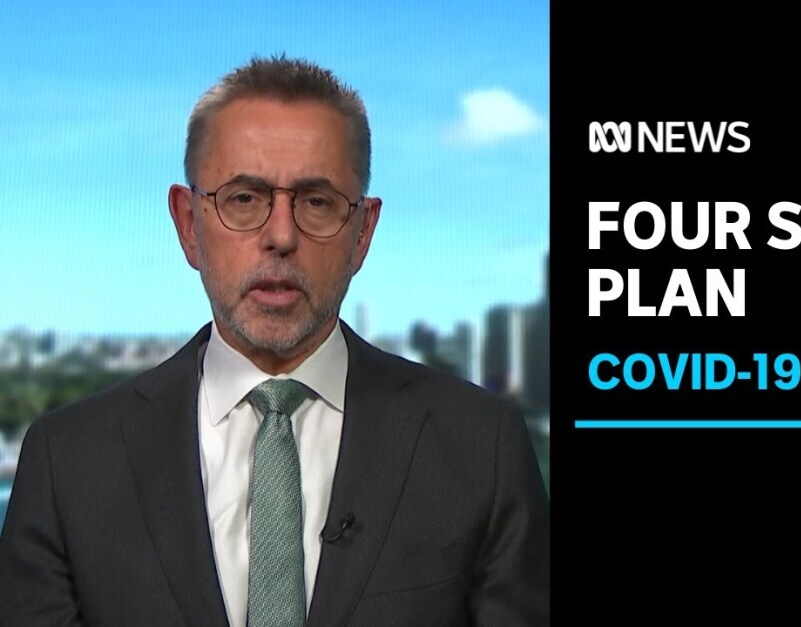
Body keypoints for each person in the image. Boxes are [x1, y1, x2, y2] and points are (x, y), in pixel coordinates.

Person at [0, 55, 550, 626]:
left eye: (317, 202)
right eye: (244, 198)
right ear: (188, 225)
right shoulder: (68, 464)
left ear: (362, 232)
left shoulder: (482, 448)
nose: (281, 236)